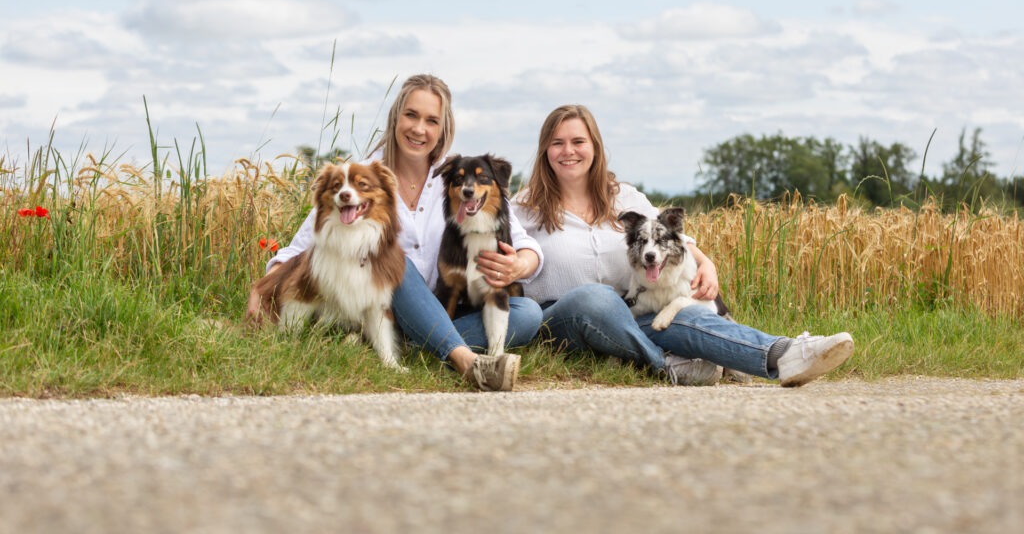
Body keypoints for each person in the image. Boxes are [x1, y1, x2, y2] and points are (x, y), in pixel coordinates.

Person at [512, 104, 854, 386]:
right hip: (562, 321)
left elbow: (674, 239)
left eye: (578, 141)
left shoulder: (624, 197)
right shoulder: (523, 208)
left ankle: (785, 354)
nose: (568, 151)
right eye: (557, 143)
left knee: (683, 316)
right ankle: (666, 364)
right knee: (594, 297)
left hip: (628, 315)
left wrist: (707, 264)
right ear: (545, 150)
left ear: (595, 147)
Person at [247, 74, 544, 391]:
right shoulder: (361, 177)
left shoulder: (455, 176)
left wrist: (520, 264)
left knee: (527, 313)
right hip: (380, 307)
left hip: (445, 309)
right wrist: (263, 287)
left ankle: (417, 345)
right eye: (411, 115)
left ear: (443, 129)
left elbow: (526, 245)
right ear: (395, 117)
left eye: (432, 120)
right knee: (395, 261)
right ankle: (467, 362)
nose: (419, 129)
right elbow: (301, 249)